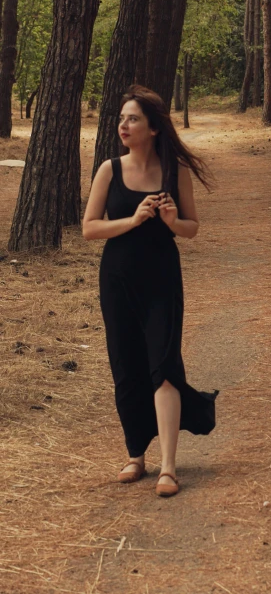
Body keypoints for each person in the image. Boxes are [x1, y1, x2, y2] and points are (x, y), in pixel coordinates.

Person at [83, 84, 216, 497]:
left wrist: (173, 220)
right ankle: (136, 455)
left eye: (133, 118)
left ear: (154, 127)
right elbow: (89, 229)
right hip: (118, 279)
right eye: (122, 118)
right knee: (126, 365)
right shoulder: (109, 169)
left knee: (164, 365)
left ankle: (169, 467)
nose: (123, 125)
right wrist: (135, 219)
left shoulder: (174, 171)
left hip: (161, 278)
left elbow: (192, 228)